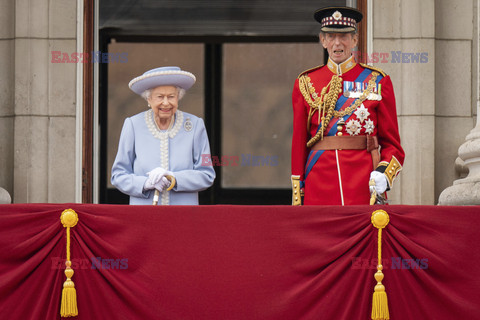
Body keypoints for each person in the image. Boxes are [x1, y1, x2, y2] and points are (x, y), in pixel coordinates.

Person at [291, 7, 405, 205]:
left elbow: (393, 145)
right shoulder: (306, 82)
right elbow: (299, 143)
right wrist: (298, 191)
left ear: (354, 40)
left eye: (343, 36)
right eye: (331, 36)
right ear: (322, 40)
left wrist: (384, 174)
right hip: (318, 181)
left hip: (363, 181)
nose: (337, 43)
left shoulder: (378, 81)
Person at [111, 66, 215, 205]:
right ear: (149, 99)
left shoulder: (195, 125)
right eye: (160, 97)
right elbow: (118, 175)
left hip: (183, 215)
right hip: (143, 214)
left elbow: (206, 175)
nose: (166, 103)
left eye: (171, 96)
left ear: (178, 98)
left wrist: (174, 178)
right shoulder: (133, 125)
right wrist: (145, 183)